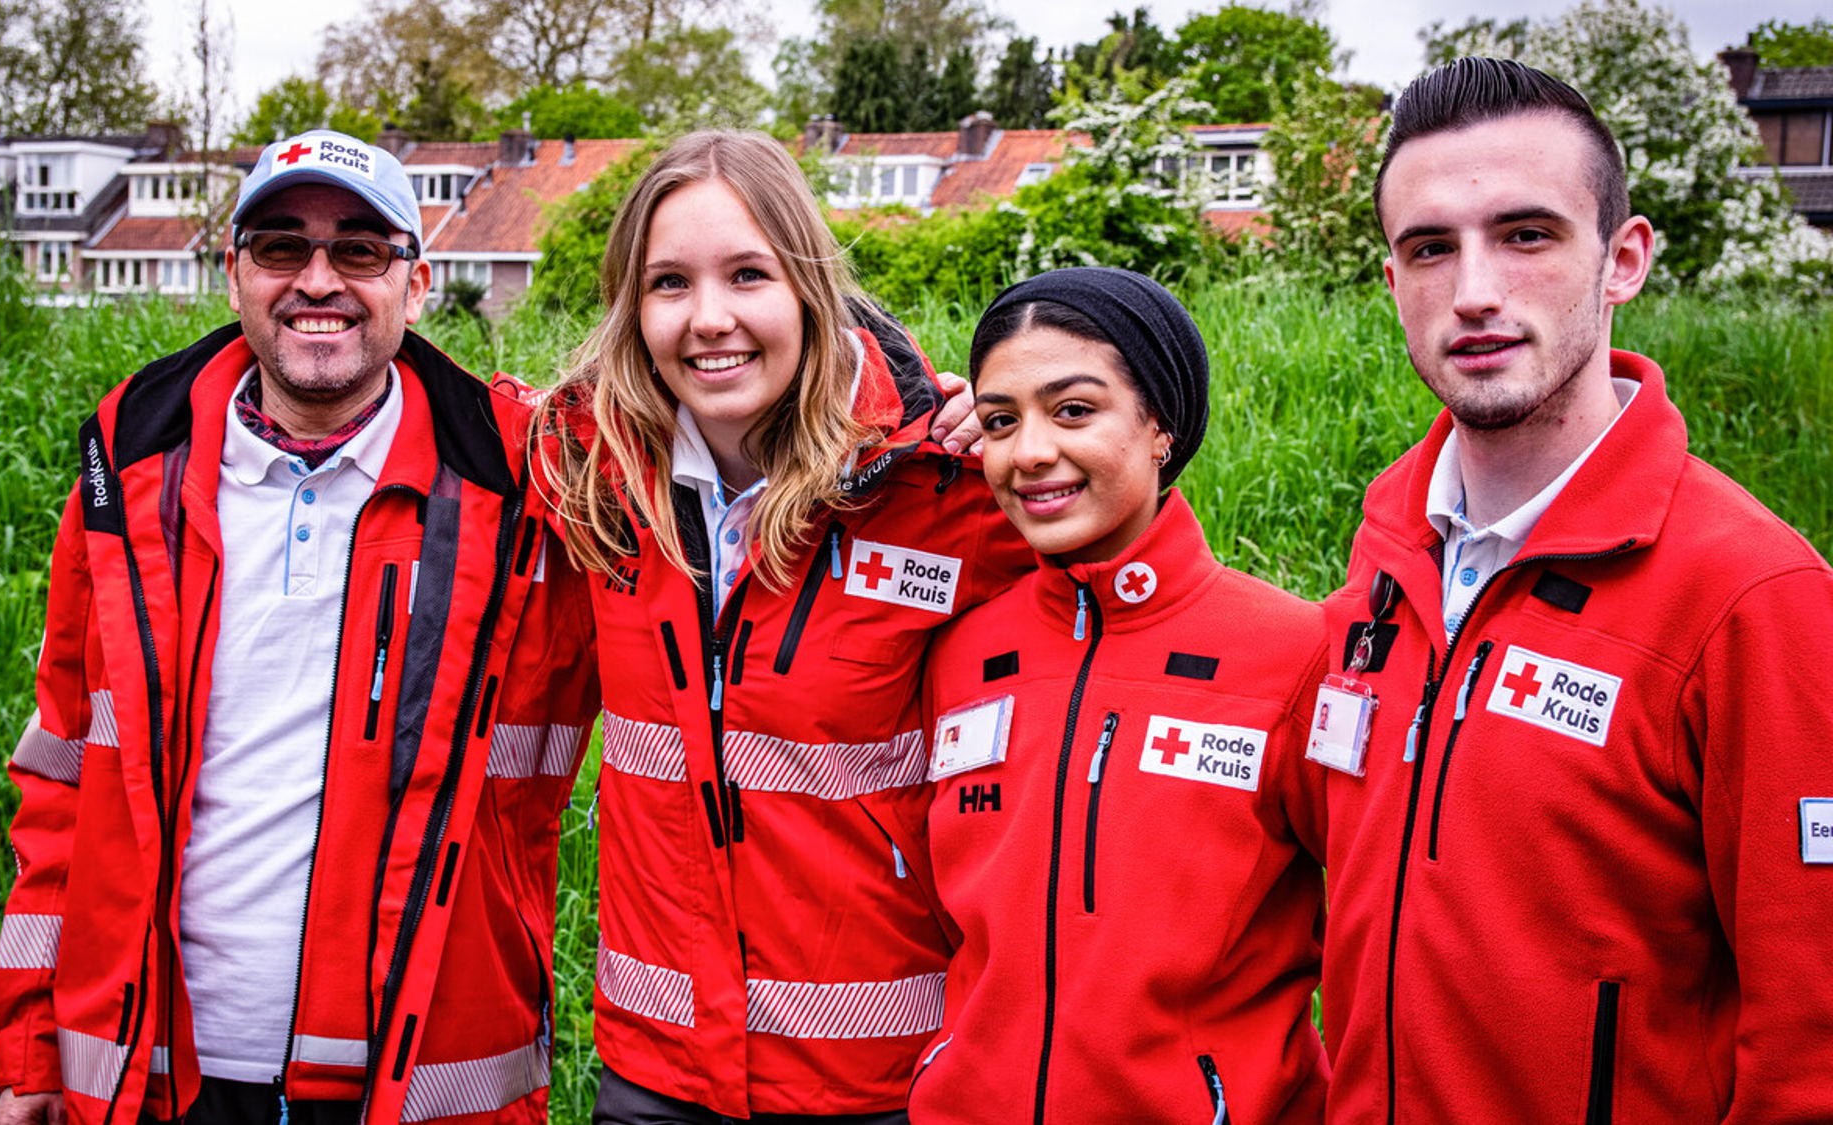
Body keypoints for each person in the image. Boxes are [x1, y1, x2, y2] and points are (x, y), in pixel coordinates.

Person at [0, 130, 598, 1125]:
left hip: (419, 1090)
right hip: (153, 1080)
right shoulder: (127, 485)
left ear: (418, 278)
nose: (319, 280)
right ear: (234, 275)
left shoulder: (528, 488)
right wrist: (30, 1052)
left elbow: (754, 435)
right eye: (280, 247)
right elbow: (62, 788)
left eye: (359, 250)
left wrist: (938, 411)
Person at [1313, 58, 1833, 1124]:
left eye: (1526, 235)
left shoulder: (1754, 595)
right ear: (1391, 283)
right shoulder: (1382, 560)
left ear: (1621, 260)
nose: (1473, 292)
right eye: (1428, 249)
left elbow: (1812, 1039)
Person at [534, 129, 1031, 1123]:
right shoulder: (580, 473)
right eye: (669, 283)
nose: (709, 319)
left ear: (807, 284)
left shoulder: (944, 484)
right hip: (655, 1076)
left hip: (877, 1082)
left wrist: (1030, 425)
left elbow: (1123, 592)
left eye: (747, 274)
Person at [910, 268, 1329, 1124]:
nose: (1029, 452)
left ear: (1160, 426)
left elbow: (1375, 942)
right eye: (1000, 420)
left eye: (1073, 411)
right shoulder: (957, 653)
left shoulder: (1294, 653)